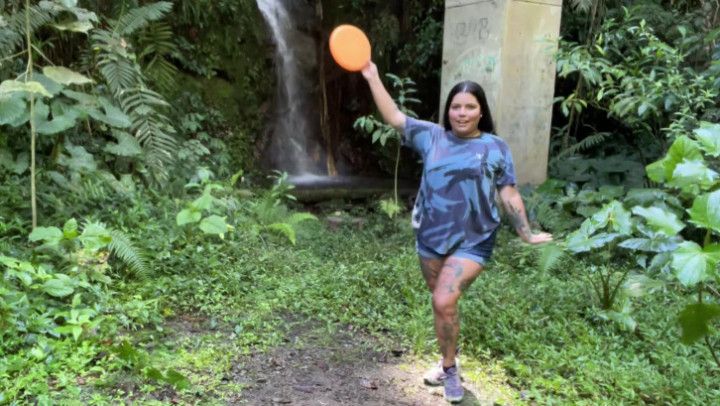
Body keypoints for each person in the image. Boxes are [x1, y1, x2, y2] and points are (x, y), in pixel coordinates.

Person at [361, 61, 552, 403]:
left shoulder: (496, 147)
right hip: (430, 236)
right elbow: (393, 116)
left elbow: (508, 193)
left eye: (470, 107)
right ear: (448, 110)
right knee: (443, 307)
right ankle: (448, 358)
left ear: (481, 112)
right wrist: (373, 75)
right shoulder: (431, 137)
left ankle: (450, 372)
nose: (462, 113)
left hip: (474, 239)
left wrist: (526, 232)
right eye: (456, 106)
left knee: (444, 299)